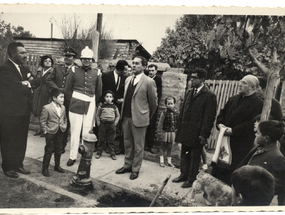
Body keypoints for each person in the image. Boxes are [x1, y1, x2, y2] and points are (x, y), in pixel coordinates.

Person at [211, 74, 263, 185]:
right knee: (218, 169)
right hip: (224, 141)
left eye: (244, 83)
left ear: (253, 87)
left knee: (232, 172)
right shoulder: (233, 99)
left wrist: (233, 131)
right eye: (240, 81)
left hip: (240, 144)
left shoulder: (259, 104)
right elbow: (222, 114)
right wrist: (220, 124)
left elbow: (251, 124)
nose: (239, 84)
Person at [172, 68, 217, 188]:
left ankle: (191, 179)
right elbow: (183, 111)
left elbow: (209, 118)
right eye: (191, 77)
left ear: (202, 80)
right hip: (185, 130)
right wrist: (179, 127)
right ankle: (183, 175)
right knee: (184, 154)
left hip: (197, 132)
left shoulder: (209, 95)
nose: (192, 80)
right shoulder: (189, 92)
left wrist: (204, 134)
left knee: (194, 157)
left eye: (195, 78)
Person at [115, 56, 158, 180]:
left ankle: (135, 169)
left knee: (138, 146)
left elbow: (153, 103)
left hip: (139, 118)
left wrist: (145, 115)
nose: (133, 65)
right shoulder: (128, 79)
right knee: (127, 143)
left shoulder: (149, 82)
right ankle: (127, 165)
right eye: (132, 63)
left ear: (144, 66)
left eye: (137, 63)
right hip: (126, 117)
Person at [65, 46, 102, 166]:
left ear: (92, 60)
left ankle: (86, 156)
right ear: (81, 60)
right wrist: (73, 101)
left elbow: (99, 91)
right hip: (76, 104)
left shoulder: (97, 72)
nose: (87, 61)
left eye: (89, 59)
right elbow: (68, 90)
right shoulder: (74, 71)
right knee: (75, 131)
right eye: (85, 59)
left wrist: (92, 102)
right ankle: (72, 156)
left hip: (90, 104)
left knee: (87, 131)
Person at [0, 42, 32, 178]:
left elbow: (34, 82)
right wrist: (24, 85)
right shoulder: (5, 69)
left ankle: (18, 164)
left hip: (23, 111)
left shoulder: (24, 68)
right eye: (22, 53)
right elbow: (16, 88)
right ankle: (8, 167)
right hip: (10, 113)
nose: (26, 55)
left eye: (25, 52)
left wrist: (26, 84)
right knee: (9, 139)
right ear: (13, 54)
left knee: (21, 139)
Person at [238, 120, 285, 205]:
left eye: (258, 133)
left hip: (254, 201)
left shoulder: (278, 158)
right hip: (243, 196)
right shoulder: (258, 148)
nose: (255, 134)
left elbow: (276, 186)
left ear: (266, 138)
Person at [46, 47, 77, 153]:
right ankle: (53, 144)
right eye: (66, 56)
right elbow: (49, 79)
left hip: (68, 100)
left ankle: (61, 146)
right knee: (54, 120)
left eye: (70, 56)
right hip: (56, 99)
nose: (67, 58)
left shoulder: (76, 69)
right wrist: (57, 90)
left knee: (64, 123)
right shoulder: (57, 67)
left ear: (74, 58)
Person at [101, 60, 128, 155]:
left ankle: (111, 147)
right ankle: (100, 146)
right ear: (119, 69)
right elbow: (102, 90)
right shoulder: (106, 76)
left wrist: (122, 99)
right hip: (106, 106)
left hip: (117, 107)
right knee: (103, 127)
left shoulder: (125, 79)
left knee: (114, 128)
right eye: (125, 69)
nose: (126, 71)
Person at [40, 88, 67, 177]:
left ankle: (57, 166)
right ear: (54, 98)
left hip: (60, 131)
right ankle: (45, 168)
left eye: (63, 97)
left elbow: (64, 118)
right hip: (50, 132)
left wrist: (64, 125)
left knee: (59, 149)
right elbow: (43, 121)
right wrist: (46, 131)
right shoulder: (47, 108)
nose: (63, 99)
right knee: (49, 150)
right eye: (61, 97)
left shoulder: (63, 107)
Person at [30, 55, 54, 137]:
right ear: (42, 62)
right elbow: (36, 80)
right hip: (38, 93)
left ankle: (45, 130)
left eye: (49, 61)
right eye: (46, 61)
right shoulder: (40, 71)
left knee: (45, 111)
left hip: (47, 93)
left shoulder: (52, 72)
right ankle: (40, 128)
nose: (48, 62)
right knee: (39, 111)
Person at [95, 90, 120, 160]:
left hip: (111, 125)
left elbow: (118, 116)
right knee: (101, 139)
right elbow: (97, 115)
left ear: (113, 98)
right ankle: (99, 152)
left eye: (110, 97)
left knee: (111, 140)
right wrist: (98, 122)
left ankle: (112, 153)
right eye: (107, 97)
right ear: (104, 98)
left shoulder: (114, 107)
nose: (108, 98)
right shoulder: (101, 106)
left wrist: (115, 123)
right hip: (103, 124)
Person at [157, 96, 179, 167]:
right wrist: (160, 132)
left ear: (174, 104)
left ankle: (169, 162)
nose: (170, 105)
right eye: (168, 104)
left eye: (172, 103)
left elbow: (177, 123)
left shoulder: (176, 113)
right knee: (162, 147)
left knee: (170, 147)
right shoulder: (164, 113)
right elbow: (160, 123)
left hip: (171, 133)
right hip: (165, 132)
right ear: (166, 105)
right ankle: (161, 161)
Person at [145, 64, 162, 154]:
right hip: (143, 106)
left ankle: (150, 145)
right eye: (150, 70)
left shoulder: (158, 79)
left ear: (156, 71)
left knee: (151, 126)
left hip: (153, 106)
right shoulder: (145, 78)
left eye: (153, 70)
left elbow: (158, 94)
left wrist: (154, 106)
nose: (151, 72)